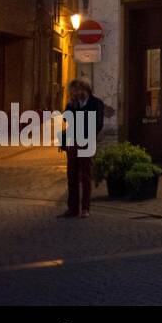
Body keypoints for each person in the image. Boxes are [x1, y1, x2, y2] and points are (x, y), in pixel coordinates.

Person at [60, 78, 105, 218]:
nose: (73, 94)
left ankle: (85, 208)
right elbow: (66, 119)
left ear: (84, 90)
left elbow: (98, 124)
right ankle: (72, 208)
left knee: (85, 176)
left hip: (86, 142)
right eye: (72, 92)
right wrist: (71, 106)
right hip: (73, 142)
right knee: (71, 176)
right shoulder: (73, 104)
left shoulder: (96, 103)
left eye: (75, 91)